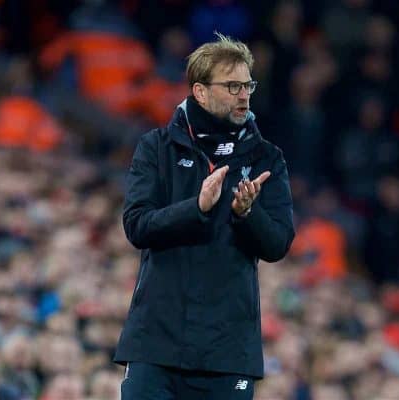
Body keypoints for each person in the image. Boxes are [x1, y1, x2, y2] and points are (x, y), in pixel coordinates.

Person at [113, 33, 295, 400]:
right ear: (200, 91)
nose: (244, 95)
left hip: (228, 353)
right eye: (232, 86)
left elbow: (278, 244)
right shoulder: (157, 147)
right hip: (156, 345)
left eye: (247, 85)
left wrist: (247, 214)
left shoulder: (266, 158)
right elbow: (136, 226)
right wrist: (196, 208)